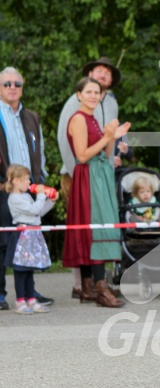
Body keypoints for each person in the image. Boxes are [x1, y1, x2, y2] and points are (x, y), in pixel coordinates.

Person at [57, 57, 129, 299]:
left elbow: (105, 152)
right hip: (86, 176)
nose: (93, 95)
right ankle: (97, 285)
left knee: (98, 227)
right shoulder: (77, 116)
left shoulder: (101, 112)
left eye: (96, 92)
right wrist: (106, 135)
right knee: (93, 228)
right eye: (88, 91)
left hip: (101, 174)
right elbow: (81, 155)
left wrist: (112, 137)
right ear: (79, 94)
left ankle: (90, 285)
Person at [0, 66, 54, 310]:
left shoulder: (31, 116)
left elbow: (39, 151)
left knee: (28, 242)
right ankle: (1, 293)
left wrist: (40, 180)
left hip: (29, 186)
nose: (12, 88)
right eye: (7, 84)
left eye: (17, 84)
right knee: (3, 242)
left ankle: (28, 293)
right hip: (4, 188)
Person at [4, 165, 57, 314]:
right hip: (23, 237)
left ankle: (31, 299)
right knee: (21, 270)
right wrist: (41, 195)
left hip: (33, 235)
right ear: (16, 181)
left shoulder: (26, 196)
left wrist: (50, 201)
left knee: (29, 270)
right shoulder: (14, 199)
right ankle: (20, 301)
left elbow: (38, 212)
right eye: (26, 179)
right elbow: (33, 209)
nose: (29, 182)